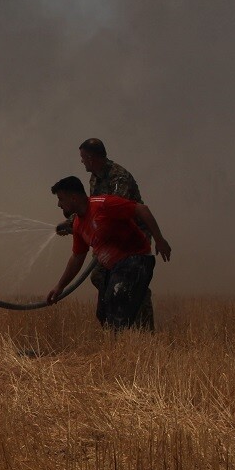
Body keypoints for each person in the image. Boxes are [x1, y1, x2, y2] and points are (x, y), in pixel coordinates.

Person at [46, 176, 172, 330]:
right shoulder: (78, 224)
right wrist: (60, 286)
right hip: (114, 267)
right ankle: (121, 346)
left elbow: (141, 209)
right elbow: (77, 257)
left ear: (73, 197)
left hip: (136, 259)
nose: (59, 204)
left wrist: (159, 239)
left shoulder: (103, 204)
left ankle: (136, 342)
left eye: (61, 199)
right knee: (103, 312)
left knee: (116, 298)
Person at [55, 138, 155, 329]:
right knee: (100, 277)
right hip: (108, 235)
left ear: (91, 158)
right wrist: (72, 224)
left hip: (131, 237)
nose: (81, 161)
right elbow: (90, 207)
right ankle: (122, 320)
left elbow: (116, 209)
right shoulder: (95, 177)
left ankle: (143, 324)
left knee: (124, 279)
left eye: (83, 157)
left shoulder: (119, 177)